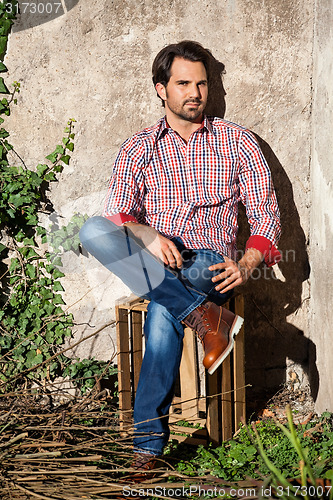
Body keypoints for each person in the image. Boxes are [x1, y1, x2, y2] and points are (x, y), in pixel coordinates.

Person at [79, 40, 281, 475]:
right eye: (183, 83)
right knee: (92, 230)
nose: (195, 93)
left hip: (209, 263)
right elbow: (118, 215)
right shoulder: (140, 146)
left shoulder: (236, 142)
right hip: (157, 264)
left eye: (202, 84)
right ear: (160, 88)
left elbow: (267, 218)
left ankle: (148, 448)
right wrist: (146, 233)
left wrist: (245, 266)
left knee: (160, 312)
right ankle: (204, 317)